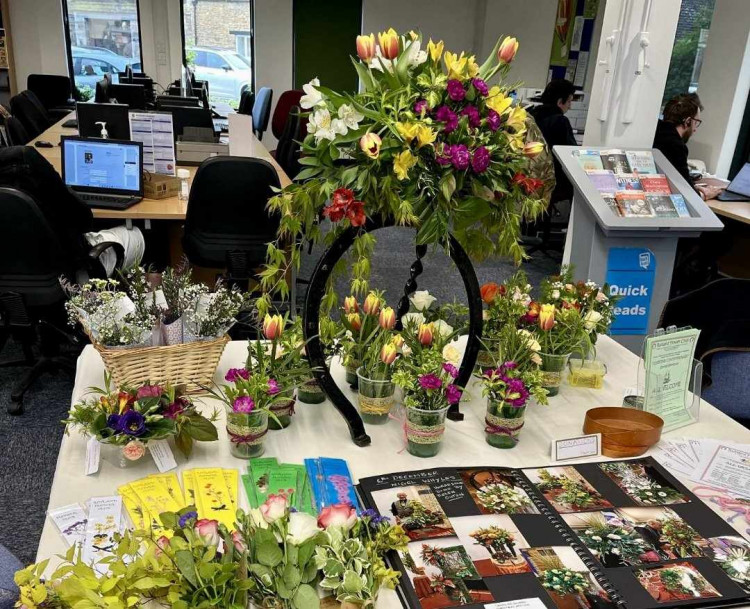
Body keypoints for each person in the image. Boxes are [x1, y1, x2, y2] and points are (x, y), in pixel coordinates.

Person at [0, 146, 144, 276]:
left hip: (11, 275)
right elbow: (83, 221)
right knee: (141, 233)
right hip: (69, 271)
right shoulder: (27, 161)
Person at [653, 93, 723, 201]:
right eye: (696, 122)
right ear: (688, 121)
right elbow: (686, 193)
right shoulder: (676, 145)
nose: (695, 129)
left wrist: (693, 186)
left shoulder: (654, 132)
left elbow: (681, 181)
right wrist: (706, 194)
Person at [529, 79, 578, 203]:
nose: (570, 106)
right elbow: (571, 153)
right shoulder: (560, 121)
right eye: (569, 101)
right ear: (559, 102)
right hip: (550, 180)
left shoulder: (530, 115)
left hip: (529, 176)